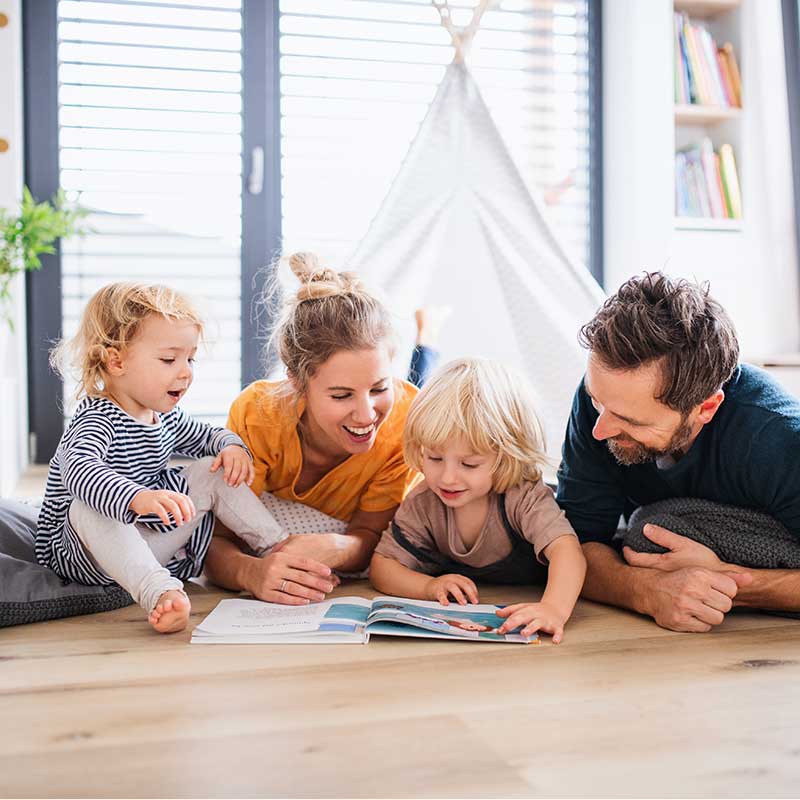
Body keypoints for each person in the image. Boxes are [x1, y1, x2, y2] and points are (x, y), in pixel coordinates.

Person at [37, 283, 288, 633]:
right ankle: (159, 591)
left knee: (209, 469)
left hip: (144, 542)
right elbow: (78, 472)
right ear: (116, 361)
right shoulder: (96, 419)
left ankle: (277, 545)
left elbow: (207, 435)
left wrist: (232, 447)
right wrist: (136, 498)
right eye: (170, 360)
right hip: (84, 553)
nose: (185, 372)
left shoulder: (163, 416)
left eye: (190, 358)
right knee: (86, 506)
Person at [556, 271, 800, 632]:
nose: (600, 429)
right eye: (597, 402)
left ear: (706, 408)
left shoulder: (774, 437)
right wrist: (646, 591)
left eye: (630, 421)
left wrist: (729, 583)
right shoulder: (606, 399)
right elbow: (572, 546)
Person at [202, 253, 441, 604]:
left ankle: (429, 335)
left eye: (379, 388)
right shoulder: (259, 415)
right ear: (298, 383)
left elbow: (373, 536)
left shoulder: (404, 422)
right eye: (341, 395)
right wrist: (249, 572)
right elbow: (215, 540)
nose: (365, 415)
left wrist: (337, 546)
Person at [369, 358, 587, 643]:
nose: (447, 478)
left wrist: (553, 609)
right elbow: (382, 566)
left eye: (469, 464)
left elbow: (568, 551)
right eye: (434, 458)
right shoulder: (424, 500)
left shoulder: (522, 494)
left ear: (506, 457)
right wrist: (429, 586)